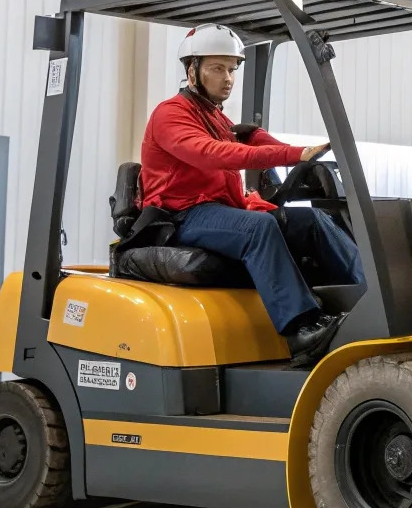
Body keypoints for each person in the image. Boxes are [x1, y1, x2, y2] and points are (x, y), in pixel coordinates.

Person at [138, 23, 363, 367]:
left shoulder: (214, 117)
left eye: (231, 69)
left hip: (219, 210)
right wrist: (291, 155)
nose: (227, 78)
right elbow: (214, 154)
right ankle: (300, 329)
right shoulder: (171, 115)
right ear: (191, 70)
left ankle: (369, 296)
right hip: (181, 216)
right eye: (217, 68)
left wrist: (302, 154)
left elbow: (245, 138)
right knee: (258, 228)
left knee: (311, 220)